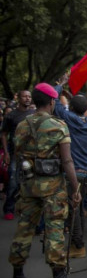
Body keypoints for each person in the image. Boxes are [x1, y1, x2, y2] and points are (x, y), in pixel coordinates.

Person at [8, 83, 83, 278]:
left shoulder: (22, 125)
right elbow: (67, 161)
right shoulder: (57, 125)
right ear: (52, 101)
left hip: (29, 185)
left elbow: (18, 154)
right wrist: (75, 189)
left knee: (24, 229)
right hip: (52, 187)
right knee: (55, 229)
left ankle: (17, 275)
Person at [53, 79, 87, 258]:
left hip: (74, 172)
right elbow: (81, 109)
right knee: (79, 209)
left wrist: (60, 84)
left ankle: (78, 245)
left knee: (73, 211)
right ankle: (78, 242)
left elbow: (54, 103)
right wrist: (72, 98)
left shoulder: (69, 118)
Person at [1, 90, 34, 220]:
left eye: (29, 97)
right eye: (25, 96)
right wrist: (6, 153)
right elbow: (3, 134)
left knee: (28, 183)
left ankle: (24, 208)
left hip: (30, 155)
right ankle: (9, 209)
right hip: (15, 154)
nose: (27, 98)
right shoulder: (11, 116)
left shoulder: (34, 114)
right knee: (13, 182)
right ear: (18, 98)